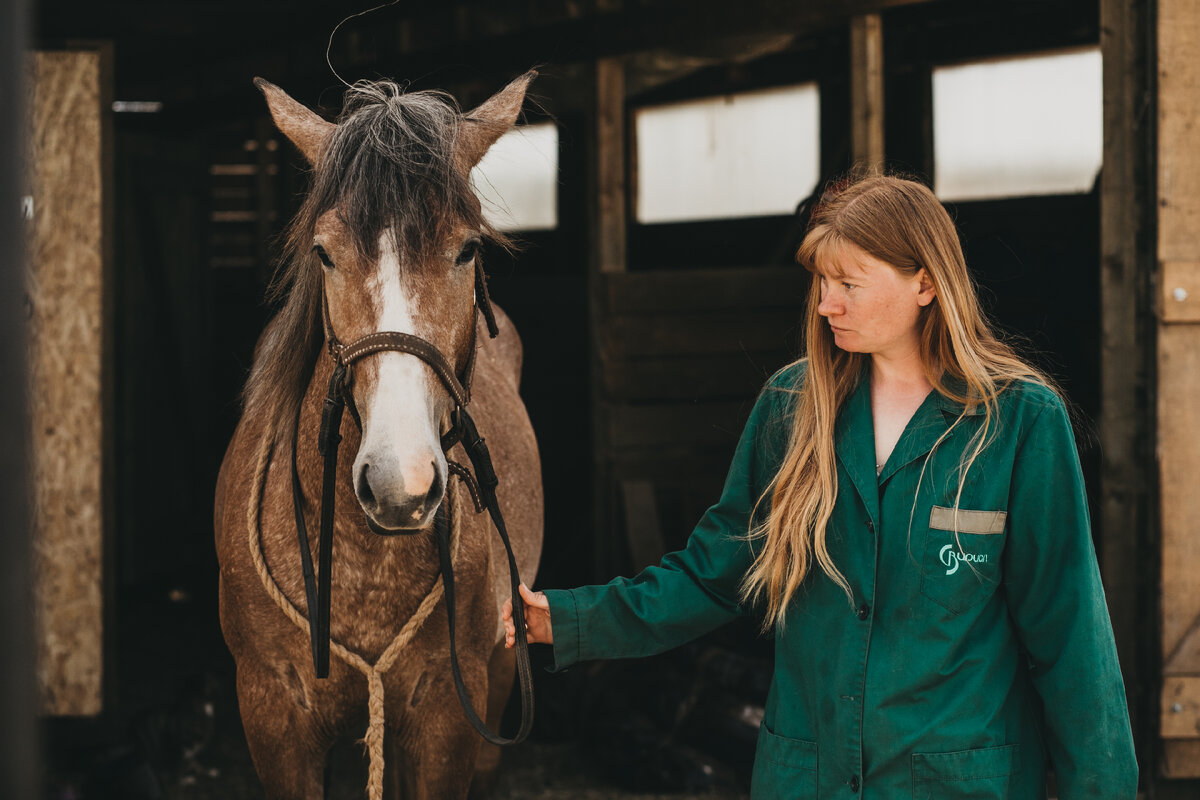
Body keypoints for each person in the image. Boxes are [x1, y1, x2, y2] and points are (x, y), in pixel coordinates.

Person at [502, 174, 1137, 799]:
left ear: (925, 283)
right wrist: (569, 619)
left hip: (957, 782)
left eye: (849, 284)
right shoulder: (790, 407)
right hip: (808, 779)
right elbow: (710, 575)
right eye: (822, 284)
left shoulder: (1019, 422)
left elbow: (1070, 639)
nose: (826, 304)